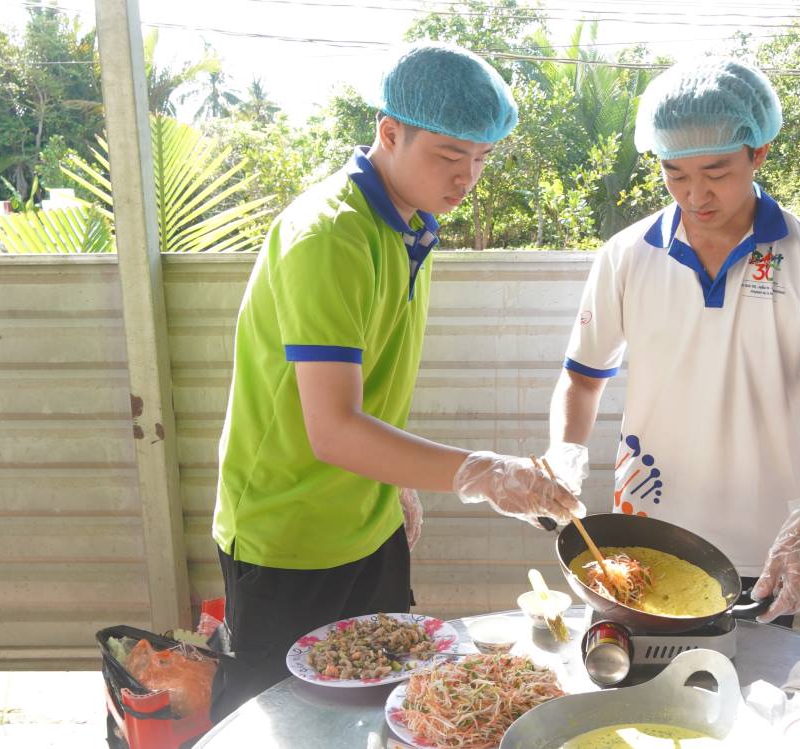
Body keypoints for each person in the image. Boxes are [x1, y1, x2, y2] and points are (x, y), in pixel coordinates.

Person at [209, 42, 584, 721]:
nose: (467, 176)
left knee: (390, 711)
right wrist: (484, 472)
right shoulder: (330, 236)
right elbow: (332, 428)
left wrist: (396, 481)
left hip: (369, 523)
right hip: (287, 536)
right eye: (449, 155)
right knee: (291, 722)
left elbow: (368, 386)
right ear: (389, 133)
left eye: (482, 157)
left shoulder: (413, 225)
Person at [545, 57, 800, 627]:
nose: (696, 195)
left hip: (764, 551)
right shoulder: (626, 255)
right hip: (640, 542)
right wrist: (566, 455)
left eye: (716, 172)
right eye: (676, 174)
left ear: (759, 152)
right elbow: (581, 377)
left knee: (745, 706)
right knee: (630, 705)